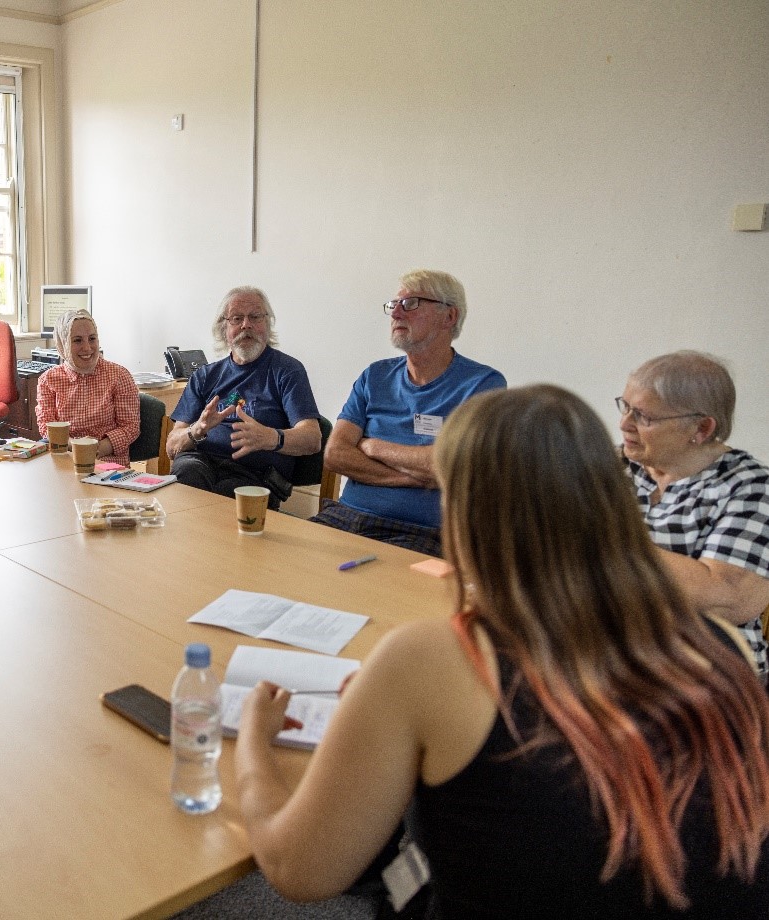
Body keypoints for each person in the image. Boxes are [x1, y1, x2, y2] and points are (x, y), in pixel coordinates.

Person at [236, 385, 769, 917]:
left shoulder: (431, 657)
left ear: (466, 508)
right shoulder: (724, 646)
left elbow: (296, 871)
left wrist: (253, 742)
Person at [314, 269, 504, 556]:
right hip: (345, 516)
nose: (396, 314)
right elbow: (335, 454)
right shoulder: (374, 376)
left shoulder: (482, 385)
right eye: (394, 305)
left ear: (449, 317)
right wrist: (416, 478)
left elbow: (449, 466)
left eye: (411, 303)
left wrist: (372, 446)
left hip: (423, 533)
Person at [619, 350, 769, 676]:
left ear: (701, 428)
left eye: (643, 416)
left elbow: (729, 598)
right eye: (625, 406)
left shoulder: (751, 487)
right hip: (618, 664)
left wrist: (606, 543)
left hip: (713, 679)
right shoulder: (612, 468)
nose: (624, 424)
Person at [165, 286, 321, 508]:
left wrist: (269, 437)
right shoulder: (204, 376)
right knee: (187, 474)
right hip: (201, 464)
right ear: (224, 328)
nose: (246, 325)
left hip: (254, 475)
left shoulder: (288, 371)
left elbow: (312, 439)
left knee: (226, 497)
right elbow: (172, 447)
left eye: (255, 317)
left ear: (267, 324)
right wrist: (197, 429)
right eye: (237, 318)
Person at [34, 309, 140, 464]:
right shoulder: (48, 380)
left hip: (108, 463)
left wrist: (97, 448)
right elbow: (46, 426)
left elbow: (130, 427)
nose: (87, 347)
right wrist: (76, 447)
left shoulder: (119, 375)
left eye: (92, 338)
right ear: (62, 344)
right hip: (65, 459)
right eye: (77, 340)